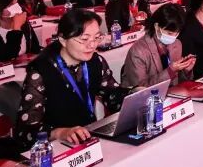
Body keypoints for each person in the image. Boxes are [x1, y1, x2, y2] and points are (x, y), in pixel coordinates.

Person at [13, 8, 128, 147]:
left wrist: (136, 94)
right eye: (84, 39)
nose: (92, 45)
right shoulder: (41, 72)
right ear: (63, 40)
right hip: (55, 147)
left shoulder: (95, 61)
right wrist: (60, 133)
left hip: (88, 138)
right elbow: (25, 132)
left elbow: (113, 96)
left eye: (96, 38)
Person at [120, 4, 194, 88]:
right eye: (169, 33)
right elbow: (140, 89)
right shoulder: (138, 51)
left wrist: (186, 71)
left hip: (171, 94)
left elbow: (178, 83)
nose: (173, 37)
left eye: (177, 33)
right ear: (156, 26)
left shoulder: (176, 44)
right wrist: (170, 71)